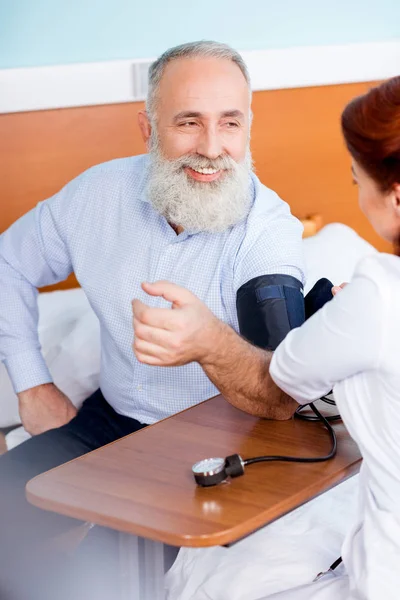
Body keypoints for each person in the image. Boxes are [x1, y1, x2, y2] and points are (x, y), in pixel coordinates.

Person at [0, 41, 305, 599]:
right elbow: (8, 262)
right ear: (147, 128)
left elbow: (281, 398)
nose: (213, 149)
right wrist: (32, 383)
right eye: (189, 122)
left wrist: (211, 343)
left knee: (89, 586)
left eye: (230, 123)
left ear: (248, 127)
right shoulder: (95, 195)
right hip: (111, 421)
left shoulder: (268, 232)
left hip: (217, 443)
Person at [168, 76, 400, 600]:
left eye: (355, 179)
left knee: (209, 581)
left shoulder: (378, 296)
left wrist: (208, 336)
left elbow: (282, 380)